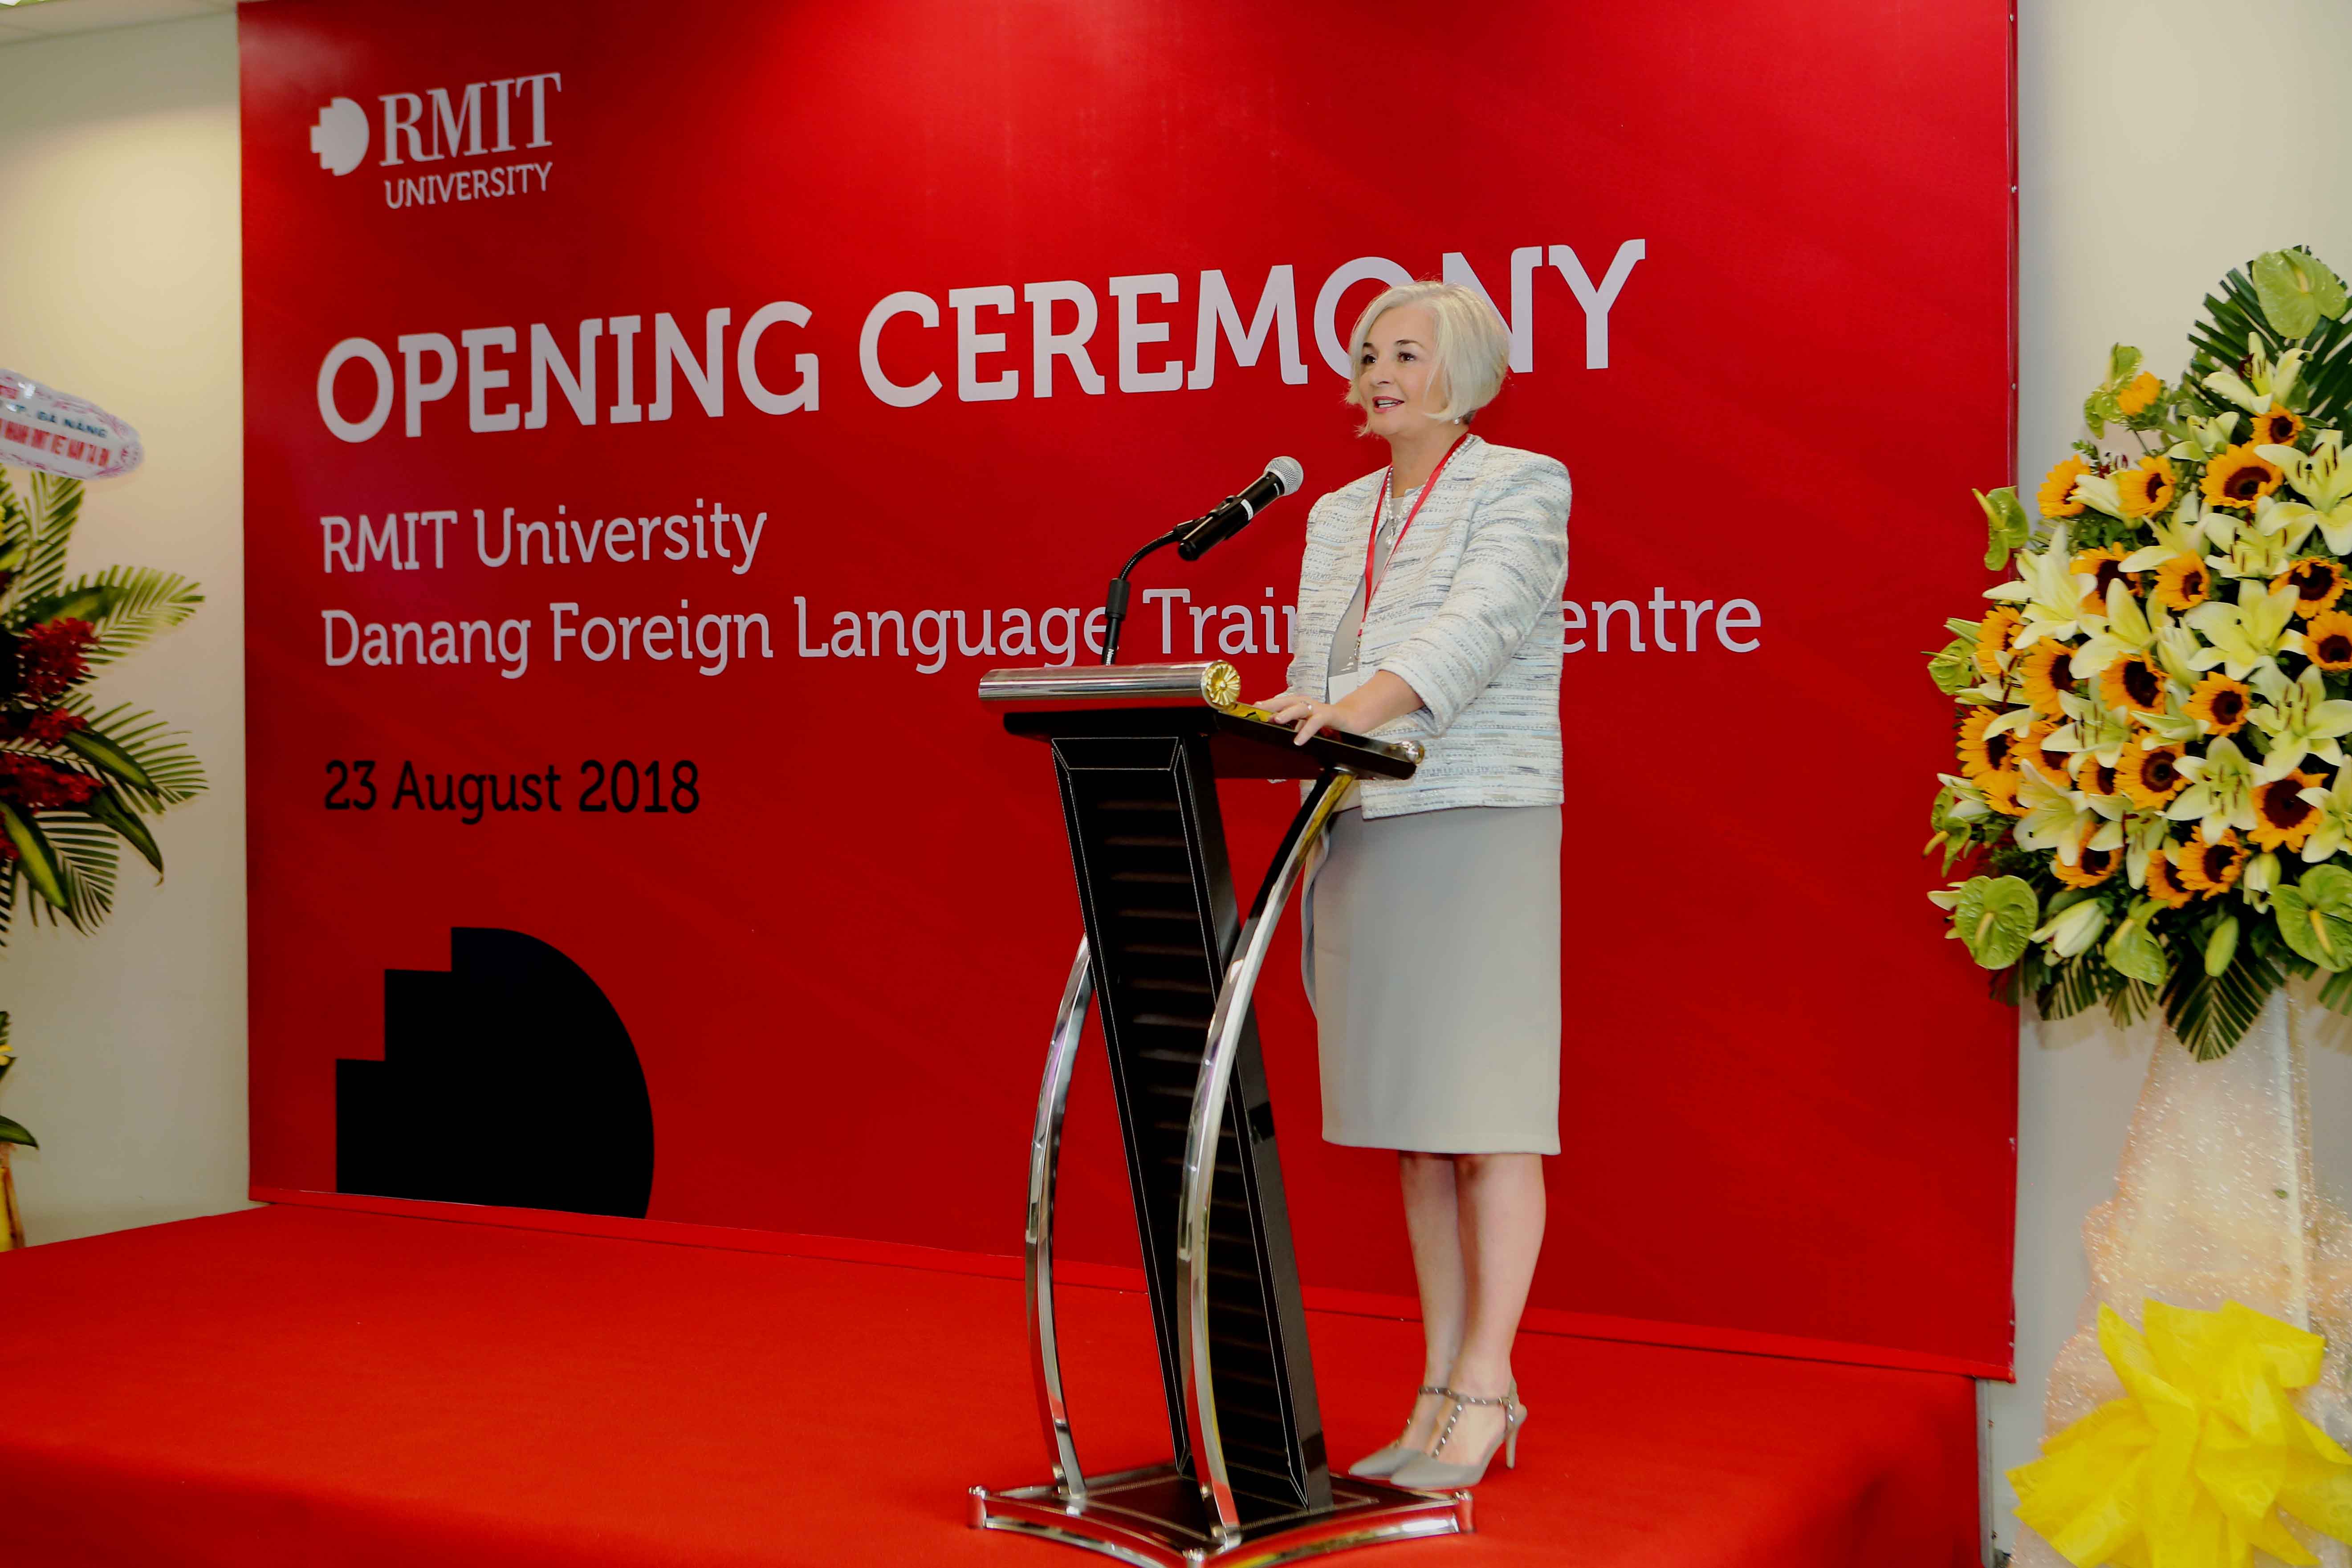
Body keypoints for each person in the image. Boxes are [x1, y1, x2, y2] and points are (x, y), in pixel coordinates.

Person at [1258, 279, 1569, 1489]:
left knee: (1485, 1119)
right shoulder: (1336, 512)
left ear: (1467, 371)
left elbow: (1476, 628)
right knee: (1416, 1134)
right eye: (1369, 352)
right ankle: (1436, 1391)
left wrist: (1355, 708)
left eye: (1407, 353)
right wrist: (1311, 724)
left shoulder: (1521, 482)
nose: (1382, 371)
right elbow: (1313, 663)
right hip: (1366, 822)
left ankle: (1487, 1388)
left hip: (1476, 817)